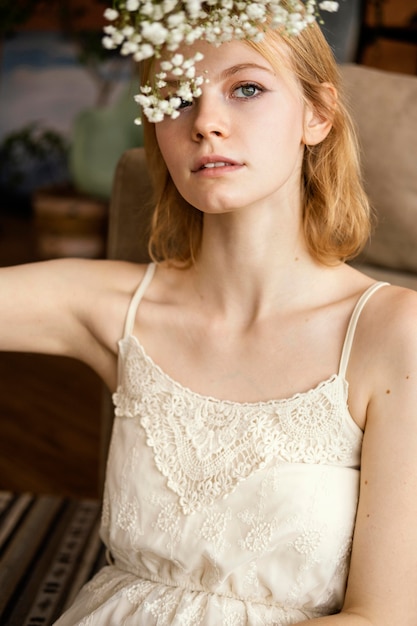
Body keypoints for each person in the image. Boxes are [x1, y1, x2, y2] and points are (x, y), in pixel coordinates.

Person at [1, 1, 417, 624]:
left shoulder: (392, 333)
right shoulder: (114, 309)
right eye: (177, 98)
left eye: (246, 88)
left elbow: (383, 617)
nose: (206, 123)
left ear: (317, 113)